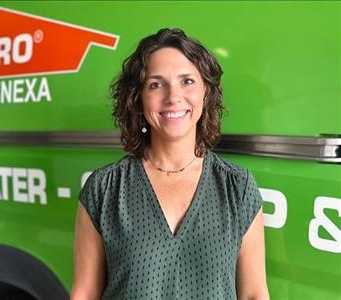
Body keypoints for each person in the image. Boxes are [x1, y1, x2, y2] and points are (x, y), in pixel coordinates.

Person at [71, 28, 269, 300]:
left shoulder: (238, 187)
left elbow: (254, 294)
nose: (173, 97)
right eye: (156, 84)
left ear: (205, 93)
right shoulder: (104, 189)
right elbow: (85, 293)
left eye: (187, 81)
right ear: (138, 99)